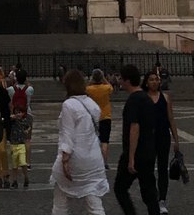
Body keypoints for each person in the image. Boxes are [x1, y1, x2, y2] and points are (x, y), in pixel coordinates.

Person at [52, 68, 109, 214]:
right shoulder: (92, 104)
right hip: (93, 159)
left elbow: (68, 135)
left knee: (60, 202)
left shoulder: (69, 105)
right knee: (94, 202)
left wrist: (65, 161)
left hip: (75, 158)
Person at [113, 62, 160, 215]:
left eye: (121, 78)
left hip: (136, 153)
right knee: (149, 191)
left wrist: (131, 157)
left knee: (120, 188)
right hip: (148, 151)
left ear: (127, 80)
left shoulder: (134, 100)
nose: (119, 81)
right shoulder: (146, 98)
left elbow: (135, 128)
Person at [144, 70, 180, 215]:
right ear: (146, 83)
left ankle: (162, 199)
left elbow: (171, 118)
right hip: (147, 138)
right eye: (151, 79)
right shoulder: (143, 98)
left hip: (163, 137)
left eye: (156, 79)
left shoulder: (165, 97)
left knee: (162, 168)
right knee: (148, 169)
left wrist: (176, 139)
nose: (154, 82)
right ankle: (152, 197)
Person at [87, 68, 114, 162]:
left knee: (92, 141)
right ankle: (105, 161)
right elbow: (110, 87)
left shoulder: (89, 89)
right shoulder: (106, 88)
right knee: (105, 141)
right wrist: (104, 78)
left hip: (93, 117)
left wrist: (91, 80)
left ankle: (93, 161)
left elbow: (85, 90)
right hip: (105, 116)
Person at [8, 88, 34, 188]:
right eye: (17, 112)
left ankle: (26, 177)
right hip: (14, 145)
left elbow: (28, 127)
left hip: (21, 145)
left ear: (23, 113)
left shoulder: (23, 122)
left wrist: (27, 130)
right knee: (14, 165)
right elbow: (8, 119)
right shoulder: (13, 121)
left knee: (23, 163)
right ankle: (14, 180)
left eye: (20, 112)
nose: (18, 114)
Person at [0, 70, 13, 188]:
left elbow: (9, 106)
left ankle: (5, 174)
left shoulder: (3, 93)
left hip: (3, 124)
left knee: (2, 150)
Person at [13, 70, 35, 165]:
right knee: (27, 139)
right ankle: (28, 162)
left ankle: (17, 161)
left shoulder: (11, 89)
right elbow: (30, 89)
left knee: (15, 139)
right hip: (27, 114)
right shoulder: (29, 89)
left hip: (16, 115)